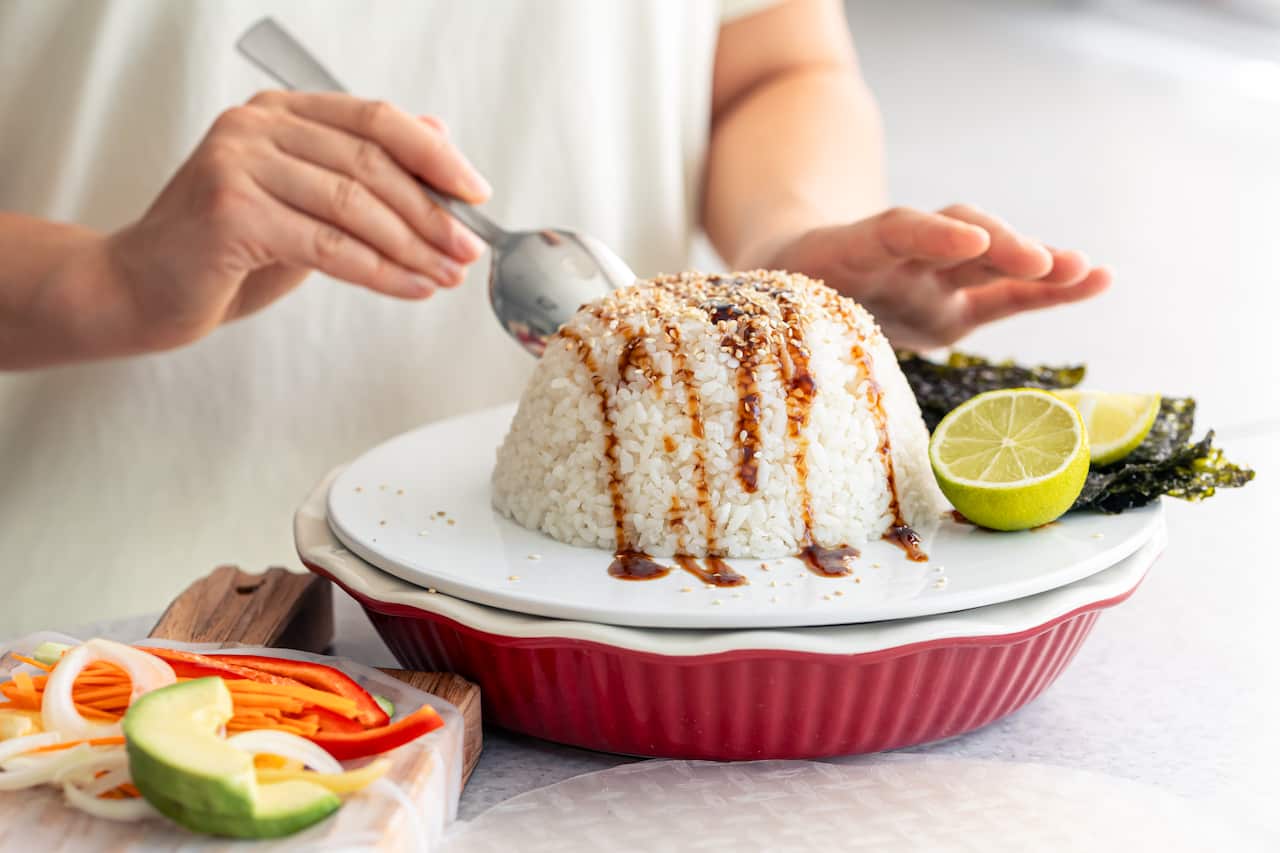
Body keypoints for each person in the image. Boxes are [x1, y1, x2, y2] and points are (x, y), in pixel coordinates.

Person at [0, 0, 1109, 634]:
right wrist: (105, 281)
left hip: (645, 629)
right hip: (86, 639)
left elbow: (769, 54)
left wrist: (783, 237)